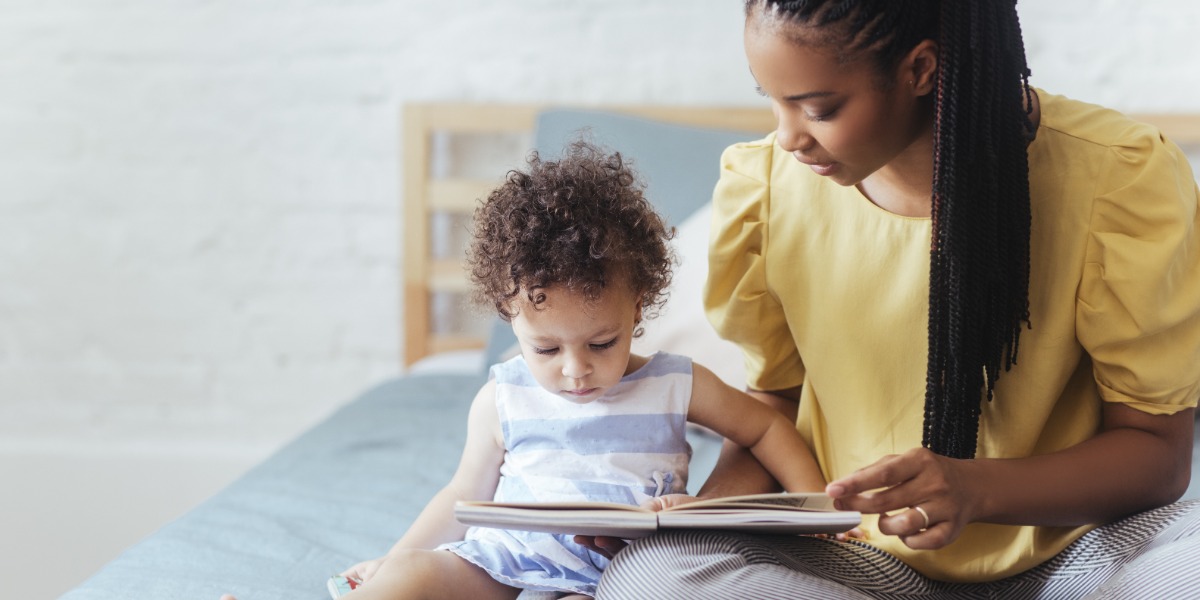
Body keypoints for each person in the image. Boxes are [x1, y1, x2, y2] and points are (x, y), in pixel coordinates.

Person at [585, 1, 1200, 598]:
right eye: (771, 100)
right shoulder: (767, 188)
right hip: (850, 554)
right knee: (652, 578)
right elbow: (775, 408)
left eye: (818, 108)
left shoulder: (1114, 176)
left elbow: (1158, 454)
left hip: (1075, 556)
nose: (788, 136)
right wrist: (693, 517)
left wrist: (973, 489)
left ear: (920, 70)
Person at [282, 141, 823, 600]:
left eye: (601, 342)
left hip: (617, 575)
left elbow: (767, 426)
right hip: (503, 562)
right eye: (545, 350)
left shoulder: (675, 383)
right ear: (506, 314)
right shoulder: (502, 397)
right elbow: (460, 496)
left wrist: (819, 513)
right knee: (407, 579)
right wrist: (394, 557)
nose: (575, 369)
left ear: (638, 305)